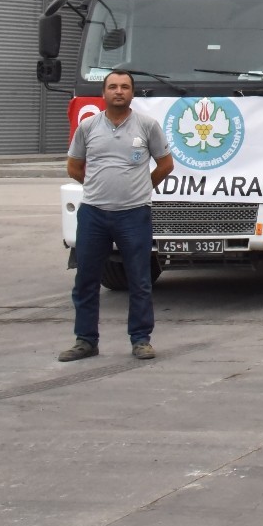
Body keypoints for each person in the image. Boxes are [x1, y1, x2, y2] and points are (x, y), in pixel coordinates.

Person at [59, 69, 174, 362]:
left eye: (124, 87)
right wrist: (95, 186)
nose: (119, 91)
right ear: (104, 93)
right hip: (94, 215)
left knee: (139, 280)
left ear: (132, 93)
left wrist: (142, 187)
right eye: (113, 87)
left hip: (134, 215)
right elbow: (73, 166)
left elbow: (165, 164)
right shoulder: (88, 127)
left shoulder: (147, 126)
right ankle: (85, 340)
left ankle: (141, 340)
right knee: (86, 280)